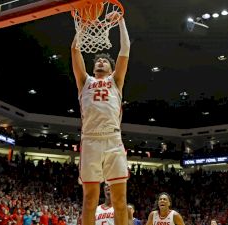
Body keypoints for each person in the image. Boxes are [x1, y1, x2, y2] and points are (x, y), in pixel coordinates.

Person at [71, 9, 130, 225]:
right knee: (89, 200)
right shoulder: (84, 81)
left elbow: (126, 49)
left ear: (112, 68)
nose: (101, 62)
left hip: (113, 140)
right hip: (90, 140)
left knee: (120, 201)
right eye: (98, 61)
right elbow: (75, 50)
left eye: (105, 61)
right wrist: (82, 26)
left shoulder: (116, 81)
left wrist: (121, 21)